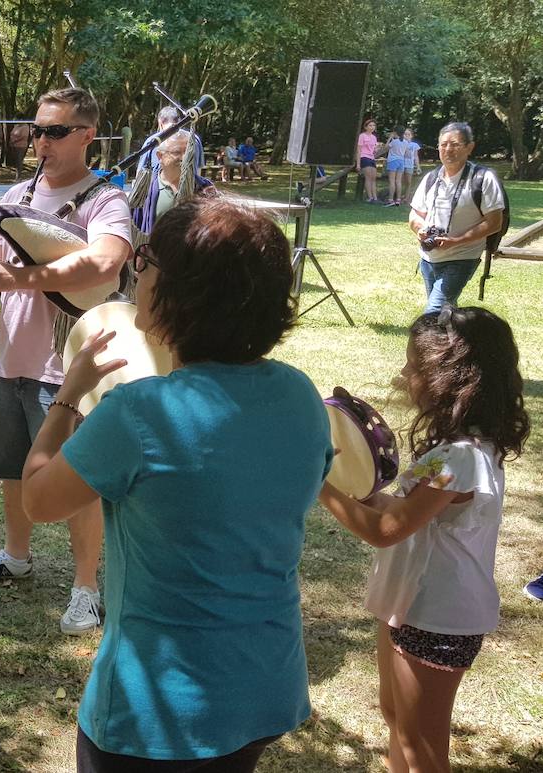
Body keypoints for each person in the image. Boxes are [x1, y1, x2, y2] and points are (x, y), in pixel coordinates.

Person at [21, 198, 332, 771]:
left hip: (155, 715)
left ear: (182, 293)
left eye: (145, 260)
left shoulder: (139, 414)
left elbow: (38, 498)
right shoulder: (301, 396)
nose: (135, 272)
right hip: (263, 687)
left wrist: (68, 394)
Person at [317, 306, 529, 773]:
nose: (404, 374)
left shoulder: (463, 459)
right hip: (410, 604)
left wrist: (314, 483)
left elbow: (385, 532)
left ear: (448, 377)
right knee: (398, 721)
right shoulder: (452, 451)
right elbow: (397, 510)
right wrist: (358, 475)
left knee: (422, 745)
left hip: (439, 618)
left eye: (414, 366)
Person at [0, 88, 132, 635]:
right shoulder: (18, 193)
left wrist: (21, 278)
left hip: (68, 370)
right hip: (9, 358)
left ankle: (86, 589)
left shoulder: (106, 201)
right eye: (37, 130)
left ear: (86, 136)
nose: (41, 141)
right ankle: (16, 556)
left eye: (55, 131)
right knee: (12, 469)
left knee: (79, 481)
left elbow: (105, 261)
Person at [408, 122, 505, 314]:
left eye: (455, 144)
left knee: (434, 311)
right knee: (446, 311)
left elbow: (494, 222)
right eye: (443, 145)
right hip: (429, 257)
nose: (448, 149)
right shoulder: (431, 178)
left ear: (470, 147)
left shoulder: (483, 178)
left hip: (463, 256)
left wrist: (457, 241)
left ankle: (426, 344)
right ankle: (456, 341)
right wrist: (420, 229)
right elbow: (415, 213)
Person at [131, 130, 215, 237]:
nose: (185, 158)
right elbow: (133, 226)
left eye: (189, 152)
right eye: (177, 152)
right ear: (160, 156)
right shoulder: (145, 188)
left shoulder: (205, 189)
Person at [358, 118, 381, 203]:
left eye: (373, 125)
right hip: (364, 157)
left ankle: (375, 198)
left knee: (373, 178)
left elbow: (373, 150)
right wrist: (358, 164)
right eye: (370, 125)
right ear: (365, 127)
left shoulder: (374, 137)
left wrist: (377, 148)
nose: (372, 127)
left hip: (371, 158)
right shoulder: (362, 136)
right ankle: (370, 197)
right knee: (368, 178)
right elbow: (359, 150)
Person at [384, 127, 407, 206]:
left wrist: (390, 138)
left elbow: (386, 147)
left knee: (392, 181)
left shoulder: (394, 142)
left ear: (395, 133)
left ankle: (390, 199)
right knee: (398, 181)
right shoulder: (405, 142)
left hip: (393, 161)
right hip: (401, 161)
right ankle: (398, 199)